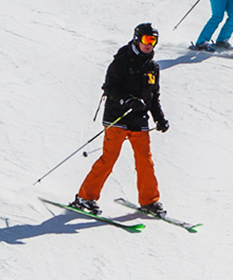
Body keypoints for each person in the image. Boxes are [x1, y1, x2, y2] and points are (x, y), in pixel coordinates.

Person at [72, 22, 168, 217]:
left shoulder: (152, 68)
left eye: (153, 40)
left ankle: (149, 201)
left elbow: (153, 97)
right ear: (137, 39)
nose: (149, 44)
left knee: (145, 161)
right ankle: (85, 197)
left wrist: (160, 118)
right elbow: (110, 88)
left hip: (139, 120)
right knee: (109, 158)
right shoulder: (122, 61)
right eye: (146, 39)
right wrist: (127, 101)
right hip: (118, 117)